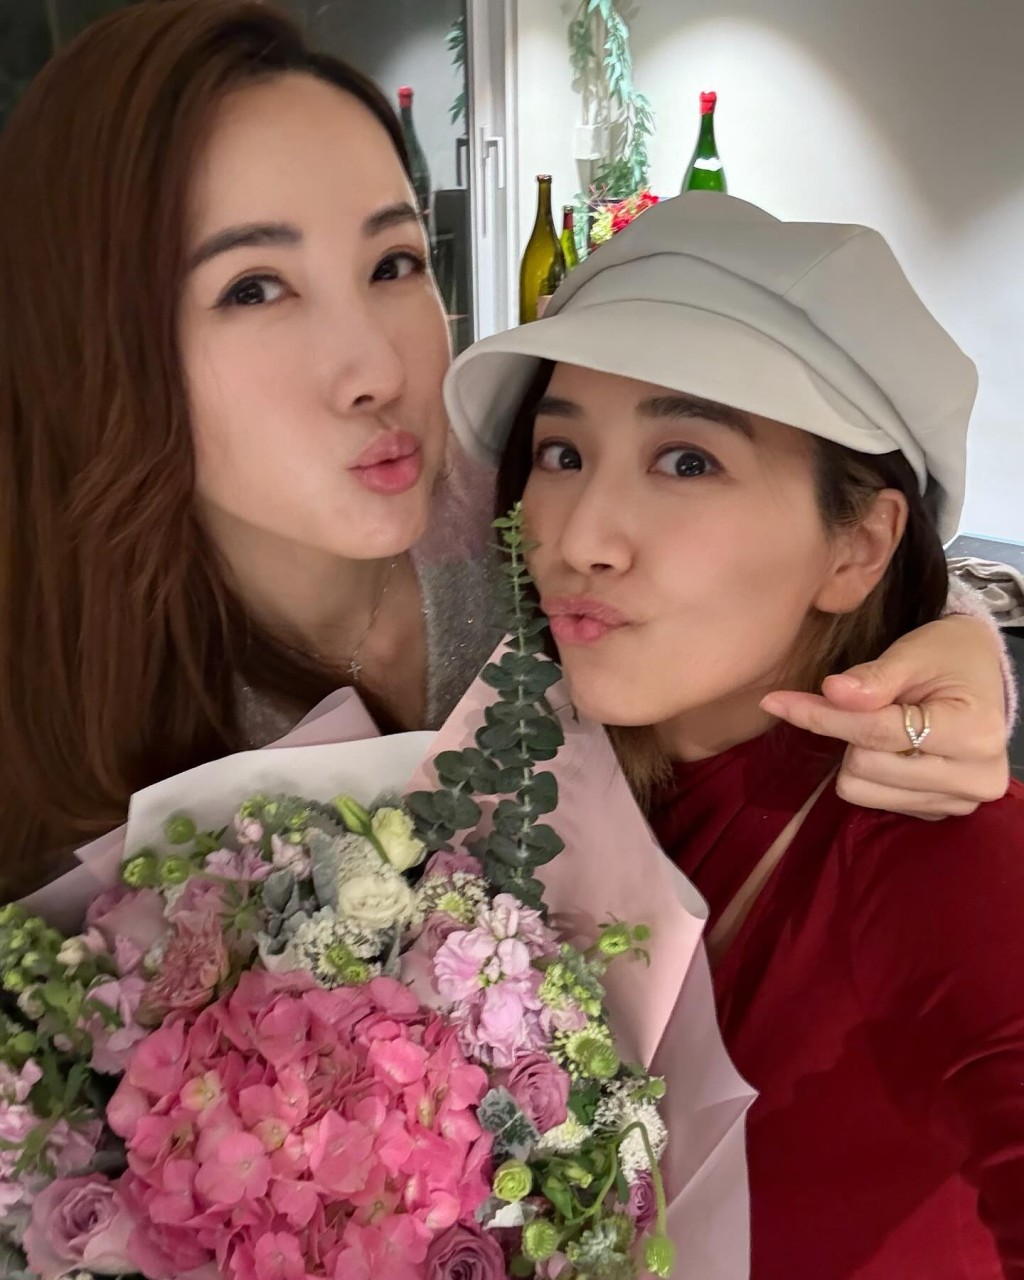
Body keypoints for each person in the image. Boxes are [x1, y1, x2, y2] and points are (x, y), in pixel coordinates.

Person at [0, 0, 1012, 902]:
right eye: (254, 288)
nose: (376, 370)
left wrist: (958, 659)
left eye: (394, 263)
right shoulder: (57, 663)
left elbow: (814, 561)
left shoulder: (513, 514)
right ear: (93, 344)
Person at [444, 192, 1024, 1276]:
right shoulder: (520, 760)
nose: (581, 536)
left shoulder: (935, 843)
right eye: (561, 452)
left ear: (856, 548)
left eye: (687, 461)